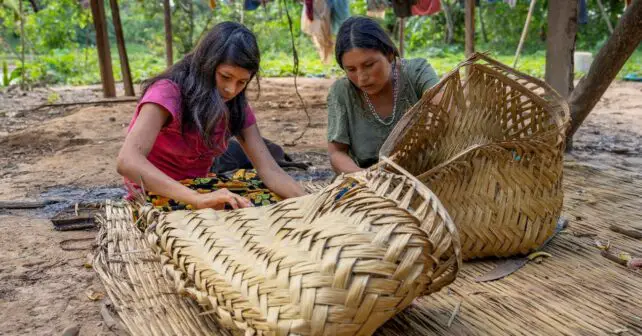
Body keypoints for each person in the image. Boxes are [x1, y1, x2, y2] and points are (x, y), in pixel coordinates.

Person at [117, 22, 306, 211]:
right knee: (241, 206)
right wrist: (197, 199)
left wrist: (313, 202)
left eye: (241, 82)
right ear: (207, 65)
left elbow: (269, 169)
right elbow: (128, 161)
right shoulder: (167, 92)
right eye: (225, 76)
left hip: (199, 189)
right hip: (154, 194)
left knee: (275, 198)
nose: (231, 90)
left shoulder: (235, 105)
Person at [327, 16, 442, 173]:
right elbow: (337, 153)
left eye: (369, 65)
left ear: (389, 54)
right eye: (351, 69)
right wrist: (363, 178)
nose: (361, 78)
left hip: (426, 176)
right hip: (368, 184)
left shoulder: (416, 72)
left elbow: (445, 109)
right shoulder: (342, 92)